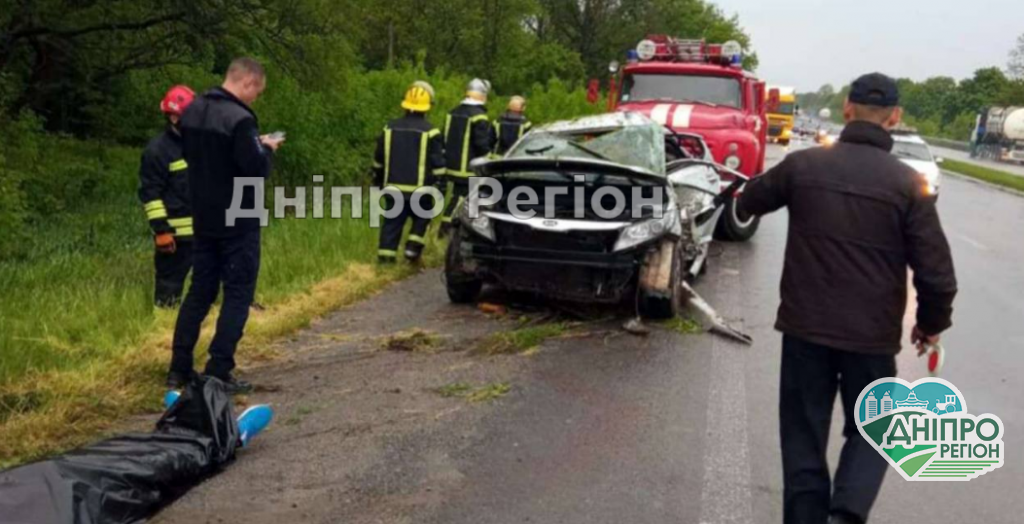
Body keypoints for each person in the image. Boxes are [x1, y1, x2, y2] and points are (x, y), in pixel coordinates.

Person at [739, 73, 957, 524]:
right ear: (894, 118)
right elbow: (937, 275)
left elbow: (750, 199)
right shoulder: (908, 186)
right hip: (872, 340)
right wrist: (929, 325)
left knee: (803, 433)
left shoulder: (804, 167)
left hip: (805, 331)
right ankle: (847, 515)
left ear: (847, 110)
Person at [167, 57, 285, 393]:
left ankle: (178, 368)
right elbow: (256, 170)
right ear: (248, 82)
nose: (255, 98)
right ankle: (219, 370)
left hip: (203, 217)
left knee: (199, 292)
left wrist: (249, 146)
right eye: (256, 92)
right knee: (237, 294)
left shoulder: (192, 111)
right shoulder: (241, 119)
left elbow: (207, 156)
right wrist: (267, 149)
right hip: (238, 218)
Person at [372, 81, 446, 263]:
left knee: (391, 225)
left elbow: (378, 159)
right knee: (422, 218)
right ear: (426, 108)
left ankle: (385, 260)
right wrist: (441, 185)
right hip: (420, 191)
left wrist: (378, 181)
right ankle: (412, 250)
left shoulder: (389, 128)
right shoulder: (432, 132)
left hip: (393, 188)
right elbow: (438, 164)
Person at [138, 85, 196, 307]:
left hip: (205, 233)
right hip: (174, 238)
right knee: (169, 292)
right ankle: (165, 331)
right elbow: (151, 195)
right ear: (173, 118)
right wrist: (161, 231)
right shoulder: (158, 151)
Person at [439, 78, 496, 233]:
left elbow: (444, 137)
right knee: (461, 198)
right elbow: (481, 144)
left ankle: (452, 228)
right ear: (482, 95)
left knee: (457, 197)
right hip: (468, 167)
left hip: (451, 164)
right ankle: (446, 228)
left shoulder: (453, 112)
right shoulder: (479, 116)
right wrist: (489, 158)